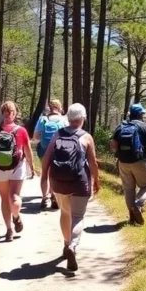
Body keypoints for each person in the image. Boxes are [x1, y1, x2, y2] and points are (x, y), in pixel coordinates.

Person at [41, 103, 100, 272]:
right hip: (79, 182)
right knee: (78, 216)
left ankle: (66, 244)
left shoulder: (58, 134)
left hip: (58, 182)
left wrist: (45, 177)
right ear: (82, 119)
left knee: (65, 213)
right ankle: (73, 246)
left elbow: (47, 157)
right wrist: (96, 180)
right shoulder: (86, 137)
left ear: (68, 117)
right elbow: (93, 162)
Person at [0, 101, 35, 240]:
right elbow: (28, 151)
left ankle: (9, 230)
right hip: (17, 168)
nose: (9, 114)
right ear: (15, 113)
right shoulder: (21, 131)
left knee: (4, 199)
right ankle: (16, 216)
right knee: (14, 197)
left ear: (2, 114)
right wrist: (32, 167)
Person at [110, 103, 146, 226]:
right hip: (140, 161)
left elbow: (113, 145)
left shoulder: (121, 126)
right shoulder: (144, 127)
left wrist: (120, 155)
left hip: (123, 163)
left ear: (129, 114)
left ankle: (132, 218)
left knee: (128, 189)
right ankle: (138, 204)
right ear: (141, 114)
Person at [32, 99, 68, 209]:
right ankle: (54, 197)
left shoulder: (43, 119)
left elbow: (36, 137)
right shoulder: (64, 120)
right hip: (59, 150)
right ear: (60, 108)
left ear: (49, 108)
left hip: (44, 150)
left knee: (45, 174)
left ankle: (44, 198)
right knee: (55, 174)